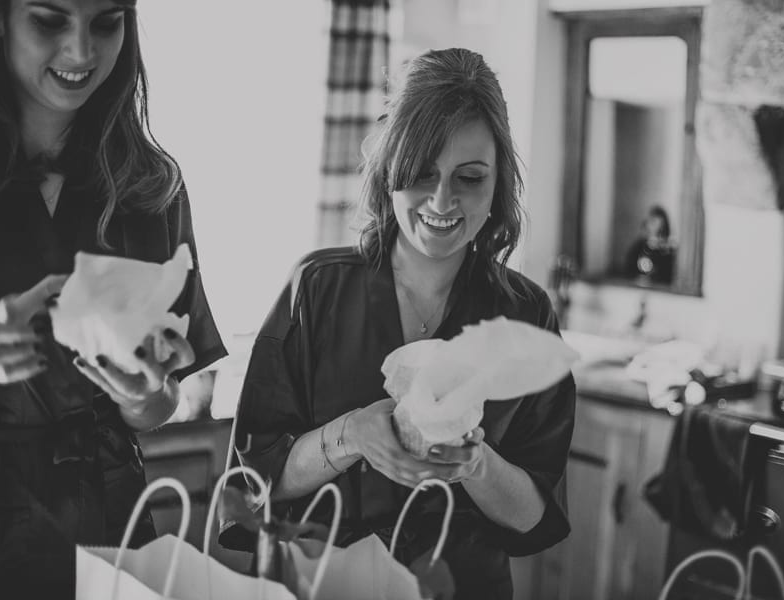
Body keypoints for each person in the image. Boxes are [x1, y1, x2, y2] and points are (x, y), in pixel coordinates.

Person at [225, 47, 576, 599]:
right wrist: (349, 436)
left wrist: (476, 464)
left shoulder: (525, 316)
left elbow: (534, 513)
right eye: (421, 172)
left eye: (469, 177)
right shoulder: (315, 289)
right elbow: (253, 481)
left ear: (499, 182)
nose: (442, 200)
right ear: (390, 169)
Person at [0, 0, 226, 596]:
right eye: (50, 19)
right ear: (1, 17)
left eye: (107, 21)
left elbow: (163, 401)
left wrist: (144, 399)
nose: (83, 52)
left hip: (112, 517)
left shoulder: (152, 185)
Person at [623, 204, 676, 284]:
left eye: (658, 224)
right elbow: (628, 268)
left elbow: (668, 275)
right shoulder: (639, 246)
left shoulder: (668, 250)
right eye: (652, 222)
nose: (655, 227)